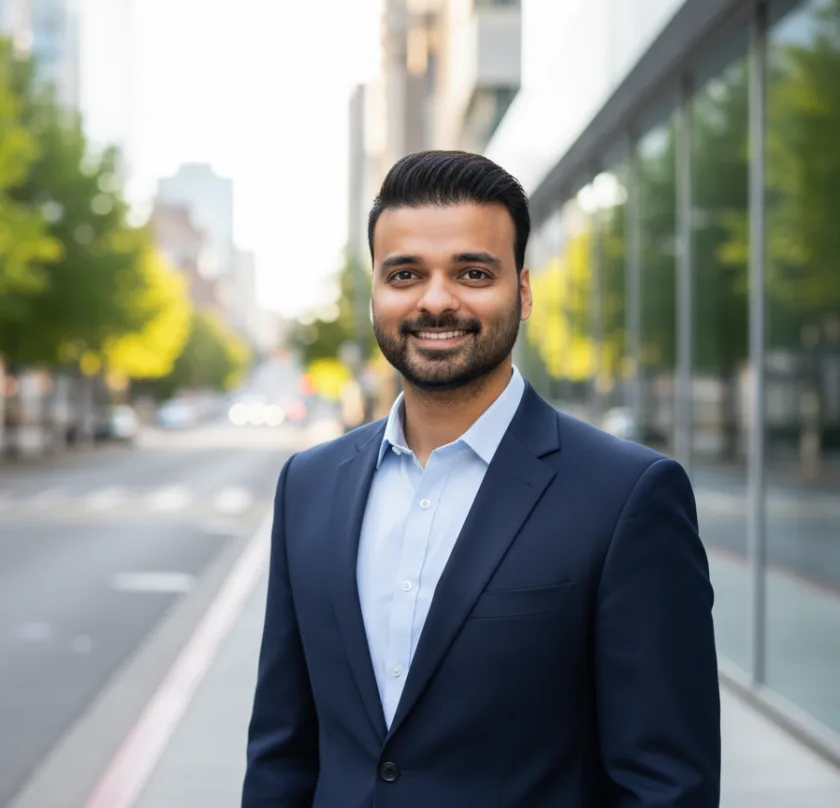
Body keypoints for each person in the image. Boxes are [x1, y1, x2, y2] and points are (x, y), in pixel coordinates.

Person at [241, 150, 721, 807]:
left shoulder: (628, 497)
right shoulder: (308, 485)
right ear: (376, 291)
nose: (436, 300)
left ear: (522, 292)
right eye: (405, 273)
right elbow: (281, 754)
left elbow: (667, 786)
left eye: (472, 272)